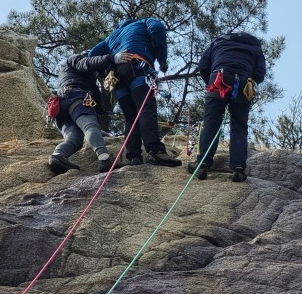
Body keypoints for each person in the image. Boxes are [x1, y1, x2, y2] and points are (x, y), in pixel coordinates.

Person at [89, 17, 181, 167]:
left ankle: (134, 156)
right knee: (146, 108)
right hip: (137, 66)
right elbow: (157, 28)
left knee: (131, 117)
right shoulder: (144, 22)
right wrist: (162, 58)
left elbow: (92, 55)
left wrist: (105, 68)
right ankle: (155, 150)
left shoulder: (111, 37)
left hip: (116, 75)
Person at [187, 32, 267, 183]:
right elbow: (260, 74)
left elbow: (203, 65)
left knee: (212, 121)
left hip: (219, 78)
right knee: (239, 126)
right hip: (244, 83)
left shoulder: (218, 42)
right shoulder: (255, 48)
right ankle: (238, 168)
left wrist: (209, 80)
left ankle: (203, 164)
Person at [48, 51, 133, 174]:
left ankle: (58, 155)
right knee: (90, 126)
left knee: (75, 140)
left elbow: (96, 95)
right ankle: (105, 158)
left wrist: (101, 112)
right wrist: (111, 58)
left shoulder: (75, 74)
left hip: (61, 106)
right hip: (76, 97)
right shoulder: (77, 59)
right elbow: (88, 63)